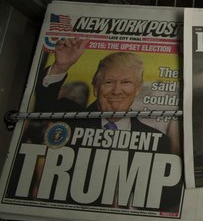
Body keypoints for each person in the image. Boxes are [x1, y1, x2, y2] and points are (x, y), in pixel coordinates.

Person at [35, 38, 171, 153]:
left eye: (126, 82)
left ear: (137, 89)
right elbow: (42, 106)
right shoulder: (70, 120)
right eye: (109, 82)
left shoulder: (158, 142)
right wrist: (60, 67)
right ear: (95, 88)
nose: (117, 91)